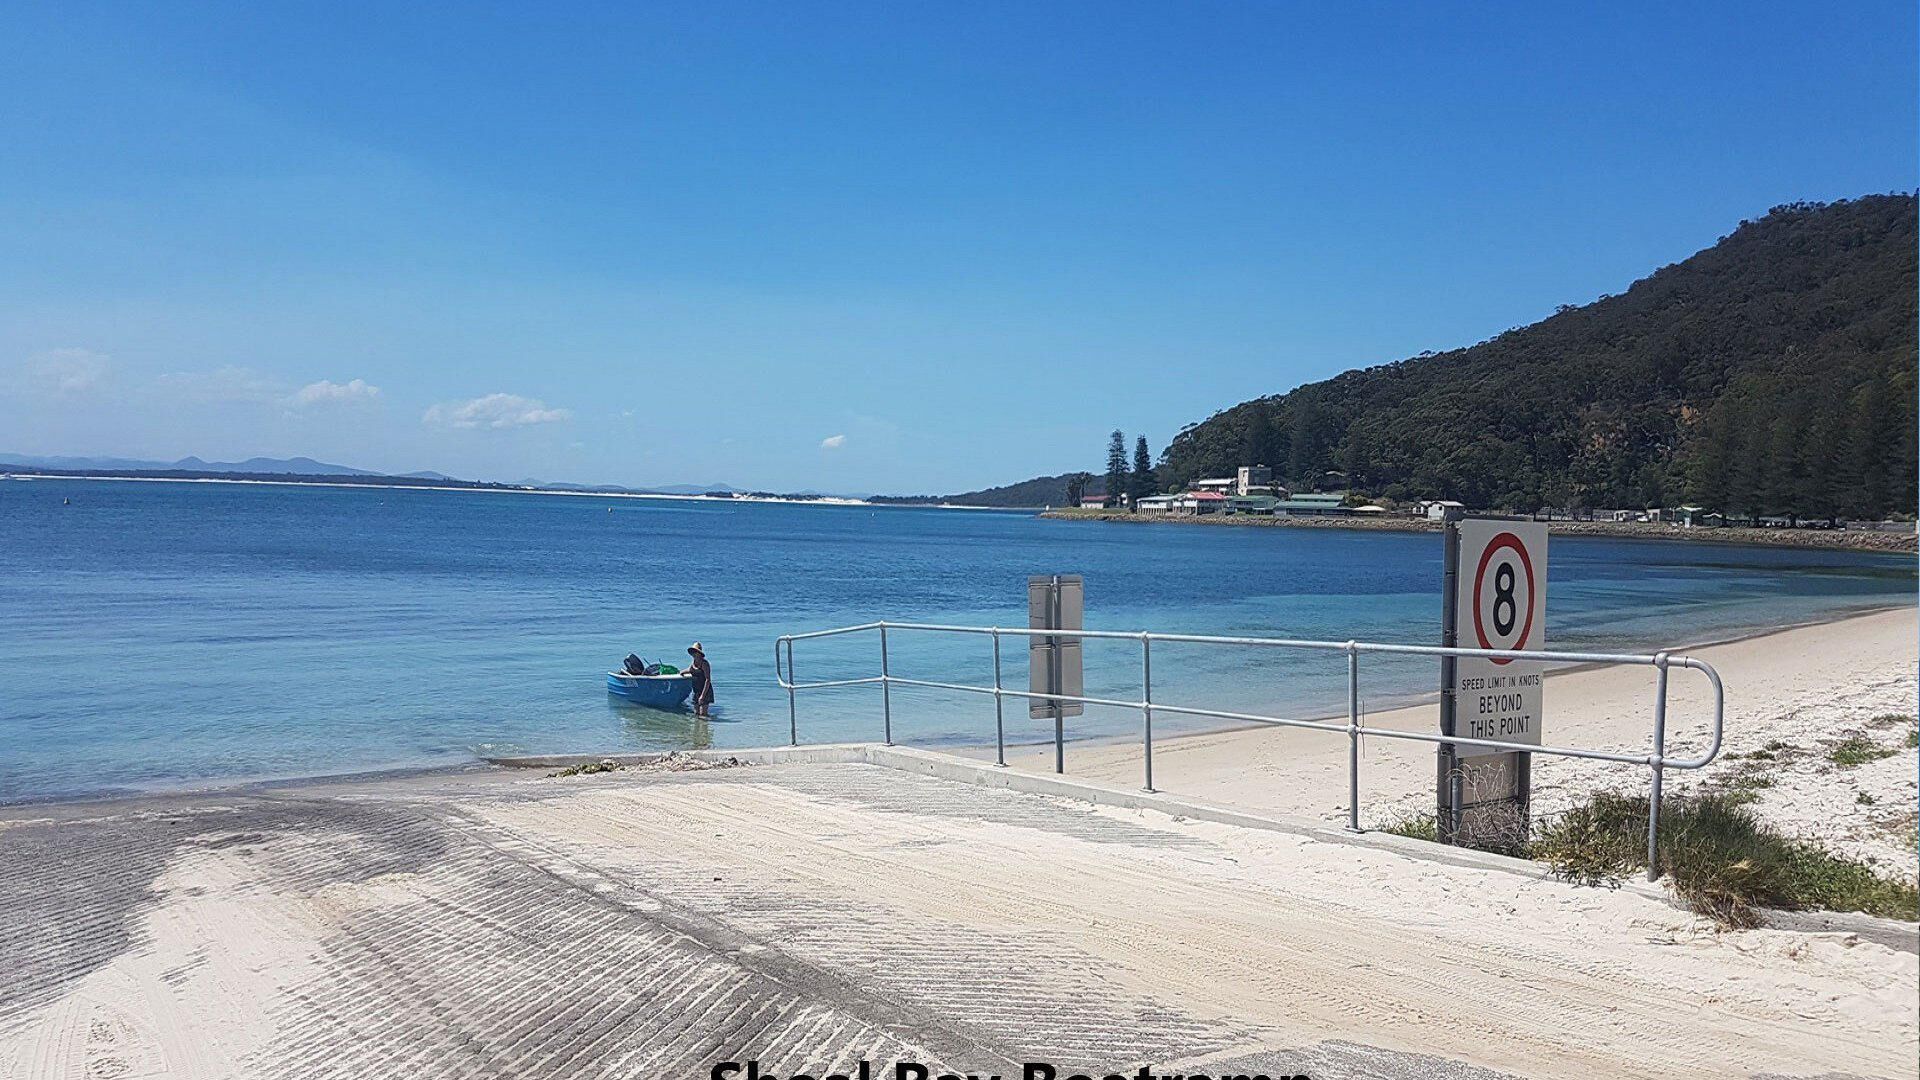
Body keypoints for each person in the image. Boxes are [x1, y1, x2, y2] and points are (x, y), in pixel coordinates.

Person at [686, 642, 714, 717]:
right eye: (693, 652)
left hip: (705, 690)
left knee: (703, 714)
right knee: (696, 713)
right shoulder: (694, 662)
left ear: (699, 653)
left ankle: (705, 727)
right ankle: (698, 728)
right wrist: (681, 673)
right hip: (696, 690)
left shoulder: (704, 663)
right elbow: (690, 669)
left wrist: (702, 696)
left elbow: (708, 680)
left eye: (695, 652)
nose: (694, 654)